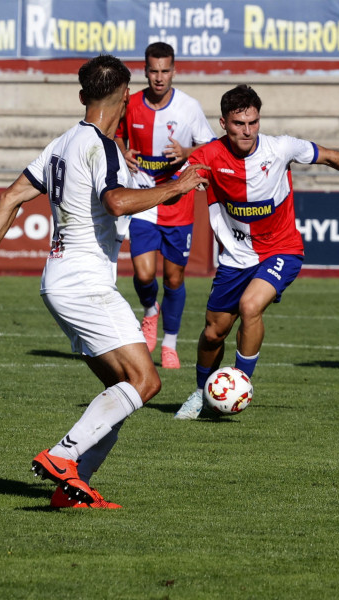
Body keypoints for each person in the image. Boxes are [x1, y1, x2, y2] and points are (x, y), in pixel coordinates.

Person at [0, 55, 209, 508]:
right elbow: (118, 202)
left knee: (122, 392)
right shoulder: (100, 148)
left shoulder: (63, 143)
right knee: (146, 383)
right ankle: (63, 457)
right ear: (127, 94)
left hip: (59, 282)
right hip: (86, 284)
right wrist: (176, 188)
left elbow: (10, 197)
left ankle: (71, 490)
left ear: (82, 96)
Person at [174, 84, 339, 420]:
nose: (248, 130)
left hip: (282, 249)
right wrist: (176, 187)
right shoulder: (208, 155)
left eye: (253, 122)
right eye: (239, 124)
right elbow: (180, 183)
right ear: (223, 124)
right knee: (213, 333)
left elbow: (331, 156)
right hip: (236, 257)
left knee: (250, 306)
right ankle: (200, 392)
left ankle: (238, 387)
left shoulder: (280, 148)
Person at [114, 42, 217, 369]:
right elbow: (115, 134)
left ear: (174, 71)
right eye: (154, 71)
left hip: (177, 200)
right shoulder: (130, 104)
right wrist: (122, 150)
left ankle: (169, 345)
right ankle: (149, 313)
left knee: (174, 278)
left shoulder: (188, 107)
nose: (159, 78)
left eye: (165, 71)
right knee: (144, 274)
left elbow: (212, 145)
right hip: (143, 198)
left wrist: (187, 153)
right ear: (145, 71)